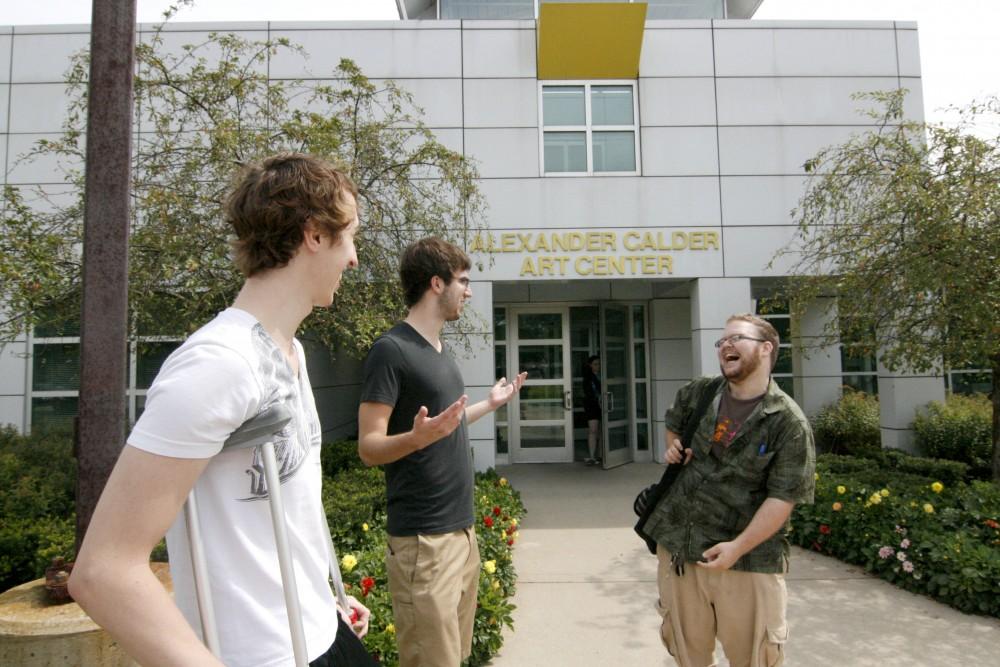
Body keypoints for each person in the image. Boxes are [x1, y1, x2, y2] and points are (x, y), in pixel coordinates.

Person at [70, 153, 378, 667]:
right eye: (350, 237)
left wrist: (322, 600)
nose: (354, 259)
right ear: (314, 235)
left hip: (324, 632)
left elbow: (273, 515)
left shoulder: (290, 352)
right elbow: (103, 571)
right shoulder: (217, 364)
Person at [357, 237, 527, 667]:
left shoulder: (440, 352)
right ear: (436, 283)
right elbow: (369, 448)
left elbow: (443, 427)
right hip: (423, 541)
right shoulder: (391, 351)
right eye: (463, 281)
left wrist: (490, 404)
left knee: (455, 655)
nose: (468, 291)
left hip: (461, 533)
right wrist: (415, 438)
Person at [643, 313, 815, 667]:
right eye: (722, 342)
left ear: (766, 349)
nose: (726, 346)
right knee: (688, 656)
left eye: (737, 338)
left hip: (747, 562)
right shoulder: (700, 392)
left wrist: (738, 547)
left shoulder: (788, 422)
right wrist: (675, 447)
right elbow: (673, 424)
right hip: (680, 550)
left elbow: (782, 497)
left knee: (754, 659)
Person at [581, 354, 602, 465]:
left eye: (599, 364)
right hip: (592, 406)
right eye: (595, 364)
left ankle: (601, 455)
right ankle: (592, 456)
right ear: (590, 365)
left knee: (601, 431)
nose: (598, 366)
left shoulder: (601, 376)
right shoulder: (588, 378)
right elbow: (589, 393)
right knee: (593, 430)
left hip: (602, 406)